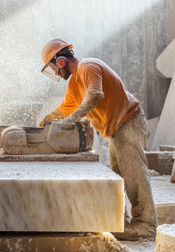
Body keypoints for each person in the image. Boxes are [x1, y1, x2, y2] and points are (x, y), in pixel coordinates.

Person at [38, 39, 157, 240]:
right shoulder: (76, 82)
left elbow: (95, 95)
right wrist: (47, 119)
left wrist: (72, 119)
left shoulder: (88, 66)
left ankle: (146, 226)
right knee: (118, 176)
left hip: (128, 121)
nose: (57, 73)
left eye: (55, 68)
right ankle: (123, 223)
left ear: (61, 61)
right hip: (116, 130)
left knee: (134, 175)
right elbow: (65, 108)